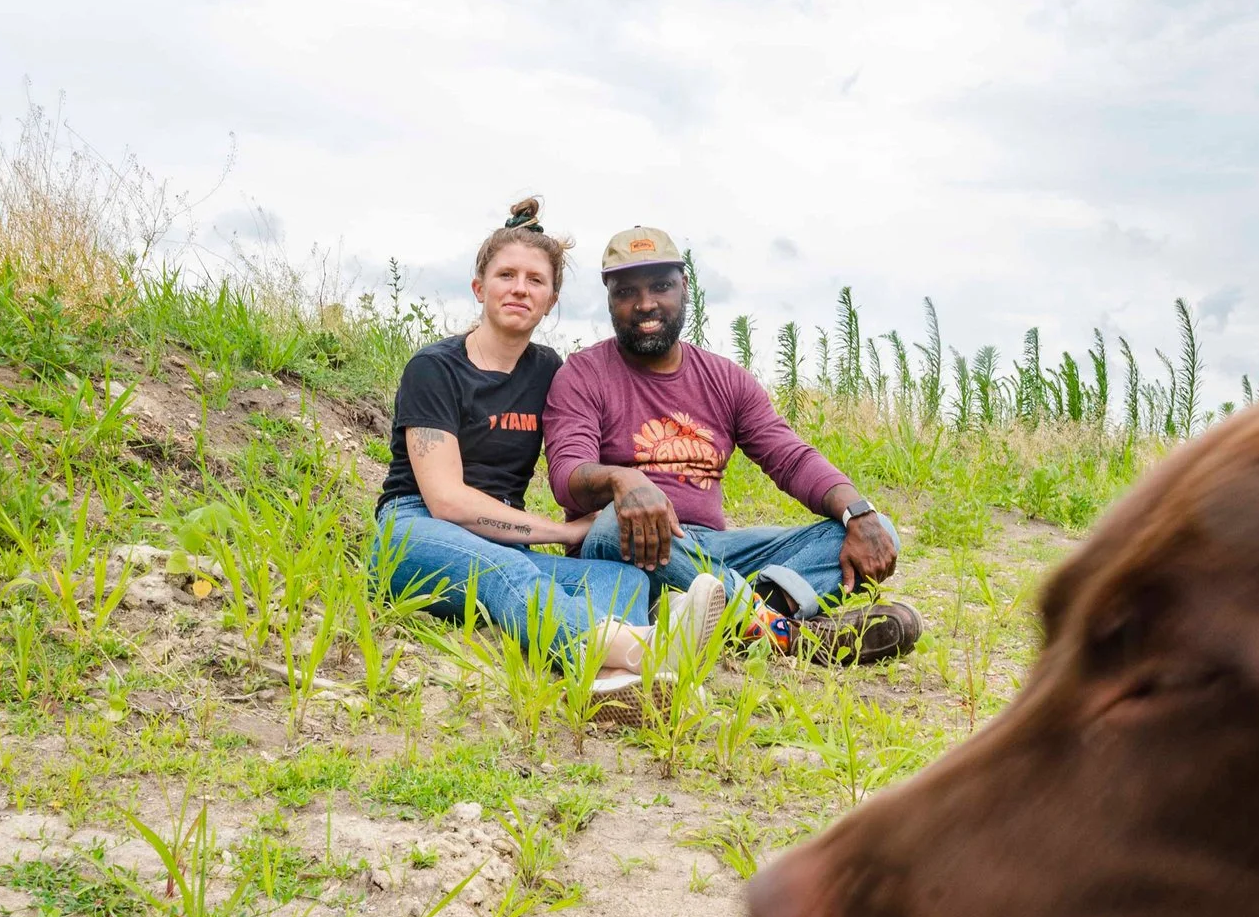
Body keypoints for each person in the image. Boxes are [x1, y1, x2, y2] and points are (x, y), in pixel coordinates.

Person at [371, 200, 725, 681]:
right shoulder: (435, 369)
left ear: (552, 299)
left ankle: (614, 678)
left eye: (535, 280)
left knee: (617, 576)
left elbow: (590, 447)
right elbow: (447, 501)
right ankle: (650, 648)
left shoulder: (548, 372)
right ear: (480, 287)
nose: (520, 289)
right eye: (506, 276)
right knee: (504, 572)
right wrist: (561, 532)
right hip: (415, 528)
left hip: (501, 538)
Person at [544, 225, 921, 665]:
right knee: (610, 524)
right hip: (625, 551)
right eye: (627, 291)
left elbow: (790, 458)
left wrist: (860, 512)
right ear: (609, 298)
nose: (645, 304)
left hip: (709, 550)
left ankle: (720, 615)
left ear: (684, 287)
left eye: (660, 286)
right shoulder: (583, 374)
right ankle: (788, 633)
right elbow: (566, 475)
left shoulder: (724, 379)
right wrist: (621, 479)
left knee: (869, 527)